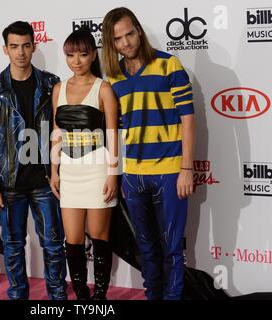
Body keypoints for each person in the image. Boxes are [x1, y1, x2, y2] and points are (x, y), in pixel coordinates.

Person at [102, 7, 195, 300]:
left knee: (172, 248)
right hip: (134, 176)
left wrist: (187, 168)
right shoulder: (114, 77)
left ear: (139, 30)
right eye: (118, 38)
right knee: (146, 248)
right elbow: (116, 129)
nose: (126, 42)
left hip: (170, 172)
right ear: (112, 43)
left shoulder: (169, 65)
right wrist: (120, 175)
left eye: (130, 33)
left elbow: (188, 119)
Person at [0, 21, 67, 300]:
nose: (21, 52)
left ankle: (57, 298)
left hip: (44, 181)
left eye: (26, 45)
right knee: (12, 247)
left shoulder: (52, 83)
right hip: (8, 183)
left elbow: (60, 132)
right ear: (5, 49)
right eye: (14, 46)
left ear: (34, 46)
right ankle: (18, 296)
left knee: (53, 246)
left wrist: (58, 171)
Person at [50, 28, 119, 300]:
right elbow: (56, 132)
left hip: (98, 168)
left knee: (100, 237)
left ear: (93, 55)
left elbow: (113, 135)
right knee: (73, 240)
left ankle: (100, 296)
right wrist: (54, 170)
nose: (76, 60)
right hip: (69, 169)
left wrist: (113, 174)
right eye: (70, 55)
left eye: (82, 54)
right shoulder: (59, 89)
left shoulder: (104, 89)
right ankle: (81, 294)